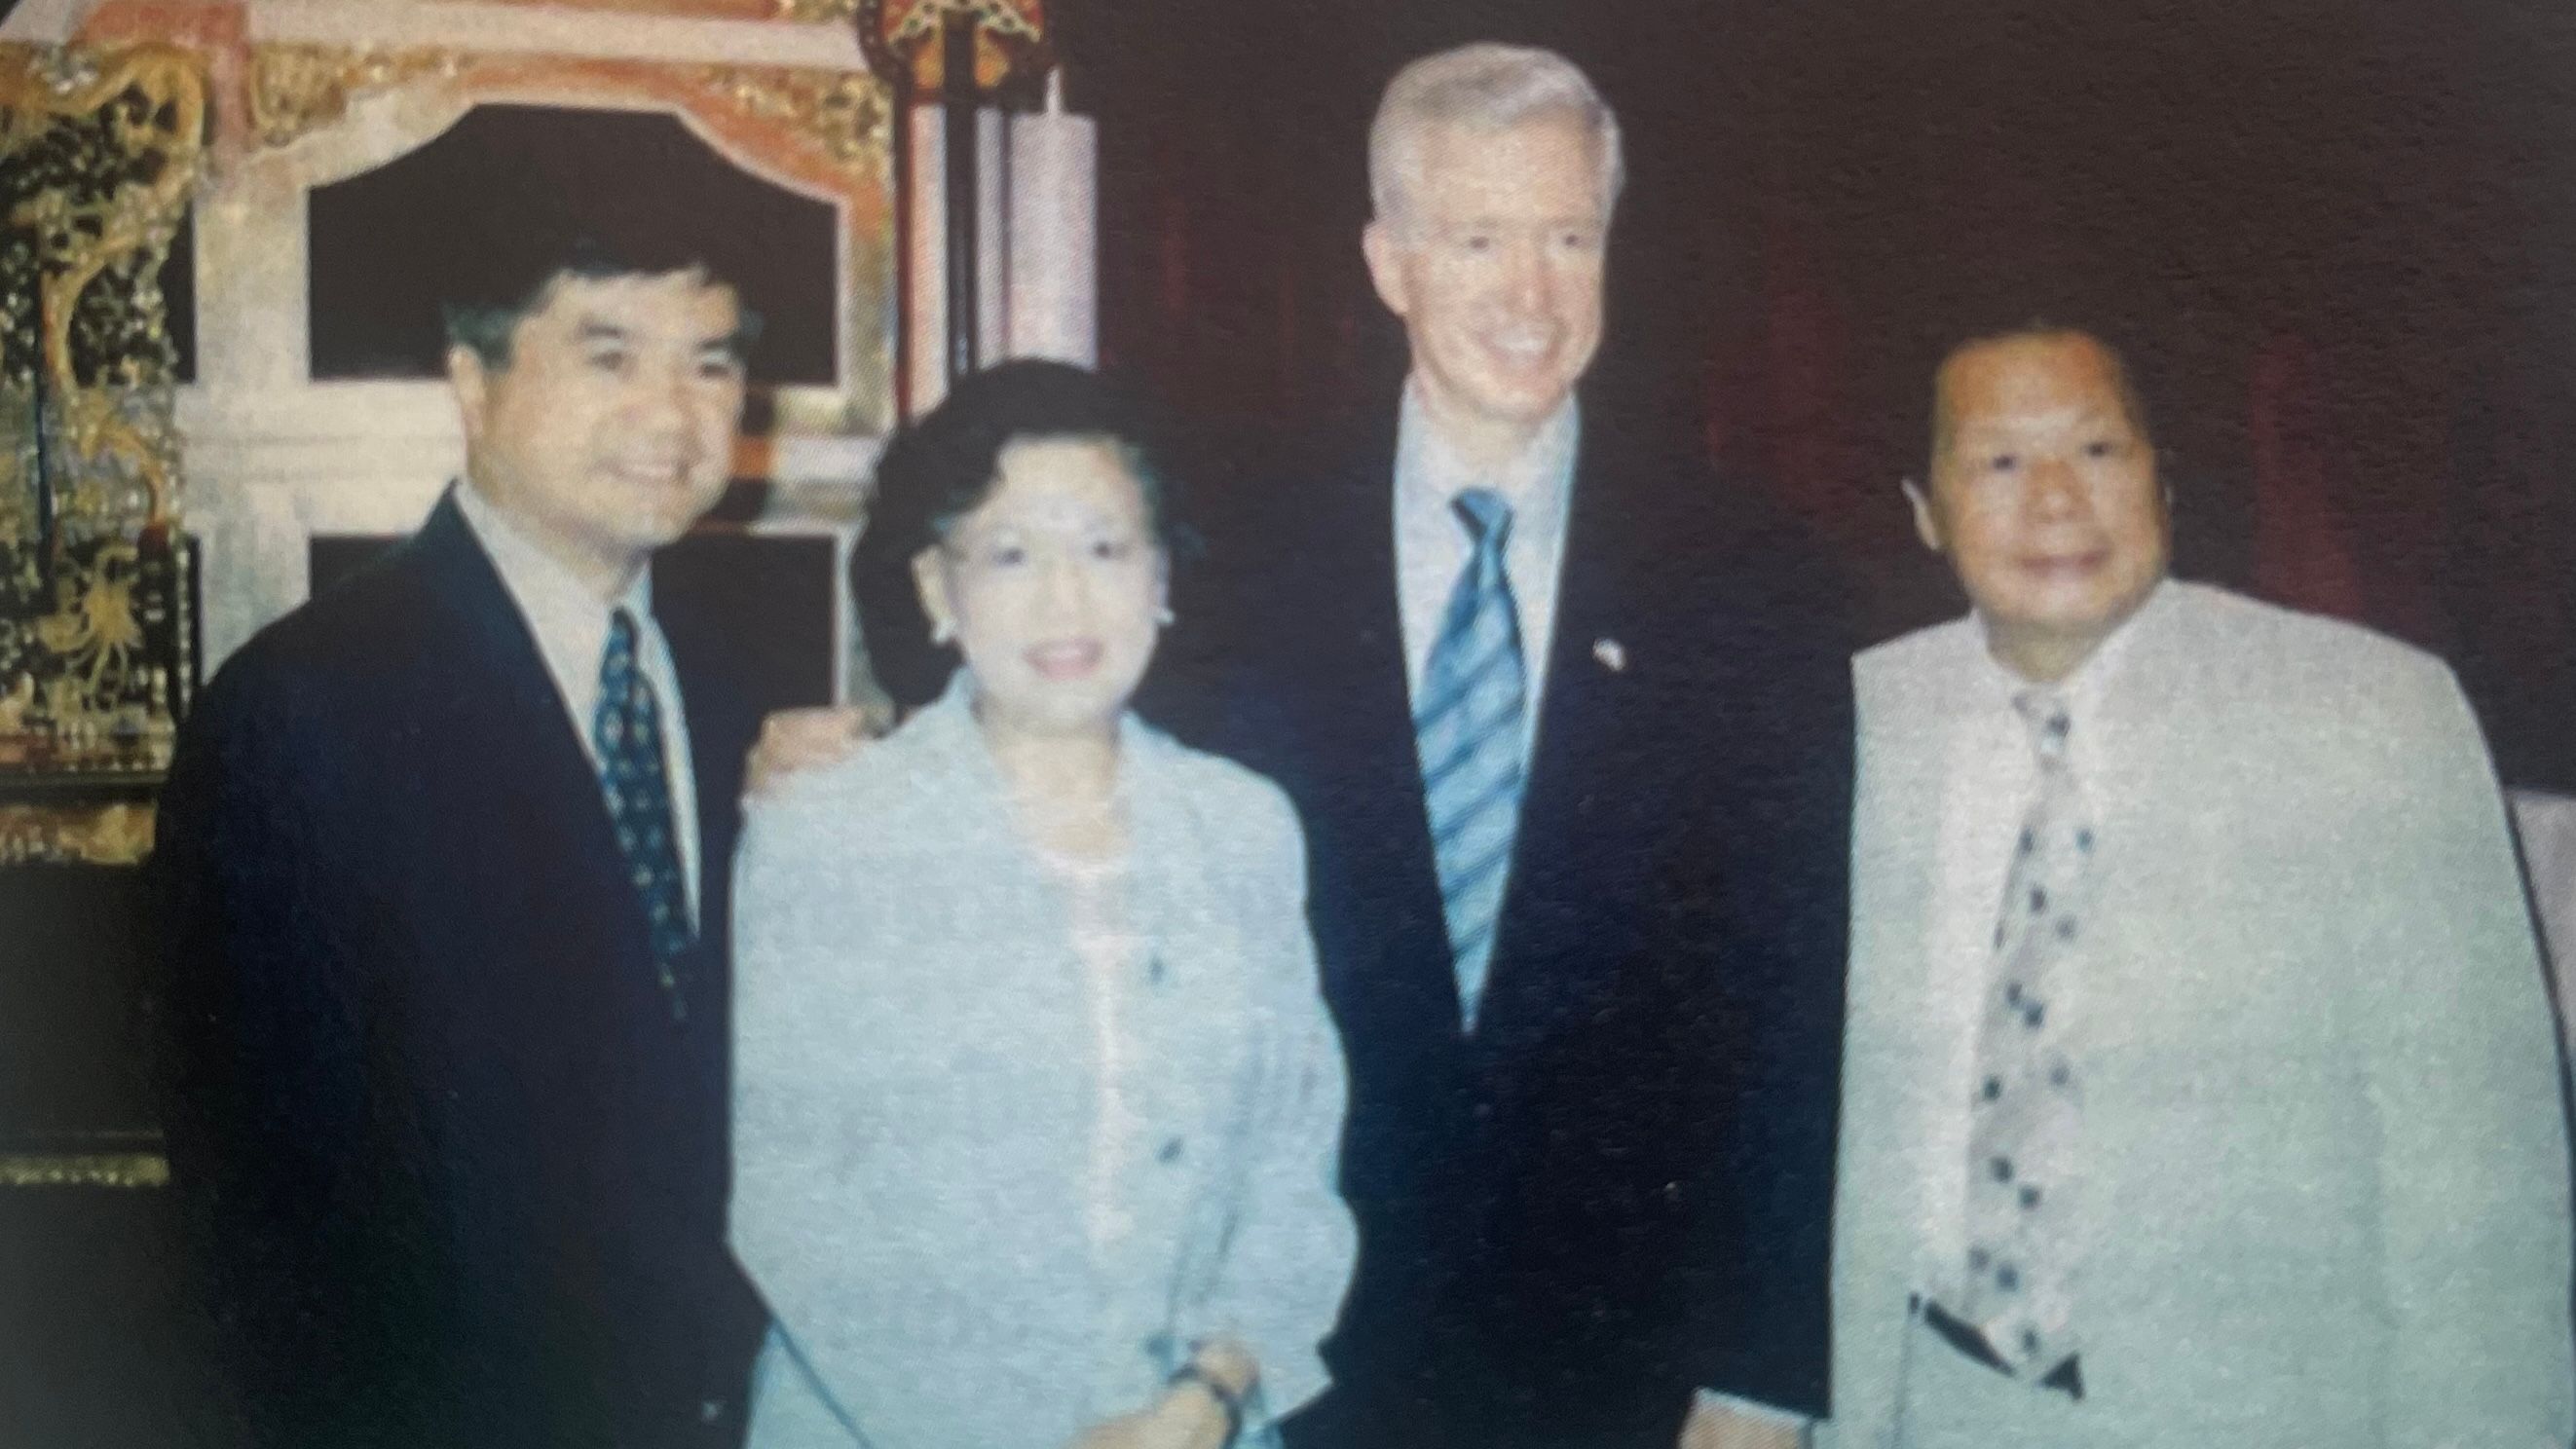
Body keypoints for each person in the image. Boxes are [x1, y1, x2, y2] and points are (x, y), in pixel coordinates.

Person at [1157, 43, 1855, 1449]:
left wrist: (1763, 1372)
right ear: (1387, 261)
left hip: (1625, 1368)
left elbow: (1795, 996)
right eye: (1478, 239)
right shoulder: (1231, 548)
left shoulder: (1748, 574)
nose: (1531, 295)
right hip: (1285, 1360)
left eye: (1568, 238)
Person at [1824, 325, 2576, 1448]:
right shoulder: (1846, 728)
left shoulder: (2367, 720)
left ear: (2161, 478)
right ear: (1921, 510)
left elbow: (2478, 1203)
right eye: (1995, 462)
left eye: (2095, 450)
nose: (2054, 501)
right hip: (1925, 1407)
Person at [154, 215, 769, 1446]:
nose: (673, 413)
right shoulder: (307, 705)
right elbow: (254, 1206)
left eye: (710, 363)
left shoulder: (734, 677)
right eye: (608, 357)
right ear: (471, 382)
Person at [728, 359, 1356, 1449]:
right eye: (1010, 554)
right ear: (935, 588)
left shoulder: (1244, 828)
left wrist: (1213, 1392)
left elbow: (1293, 1169)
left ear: (1162, 574)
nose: (1064, 600)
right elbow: (793, 1208)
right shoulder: (830, 833)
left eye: (1105, 548)